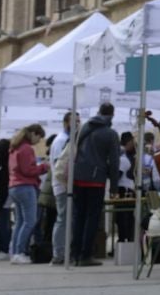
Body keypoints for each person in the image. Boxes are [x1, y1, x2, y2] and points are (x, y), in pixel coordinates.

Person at [67, 103, 120, 266]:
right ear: (112, 114)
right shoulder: (110, 134)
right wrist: (114, 188)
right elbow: (114, 161)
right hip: (96, 180)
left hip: (77, 177)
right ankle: (85, 255)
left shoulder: (83, 128)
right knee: (92, 218)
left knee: (78, 216)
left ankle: (74, 253)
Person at [6, 124, 47, 264]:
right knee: (30, 221)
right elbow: (28, 170)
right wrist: (44, 167)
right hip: (25, 186)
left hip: (14, 186)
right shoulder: (27, 148)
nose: (38, 141)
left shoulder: (14, 147)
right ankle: (20, 252)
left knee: (20, 222)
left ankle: (14, 252)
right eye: (39, 137)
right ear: (33, 133)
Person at [47, 111, 76, 267]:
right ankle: (58, 254)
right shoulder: (61, 140)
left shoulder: (67, 139)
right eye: (74, 121)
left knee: (65, 219)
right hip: (62, 185)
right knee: (63, 219)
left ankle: (62, 252)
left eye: (78, 121)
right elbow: (60, 166)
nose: (77, 124)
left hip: (64, 184)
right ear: (66, 122)